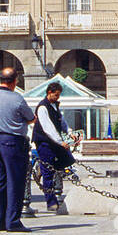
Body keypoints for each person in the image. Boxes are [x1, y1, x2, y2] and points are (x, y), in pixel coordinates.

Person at [0, 67, 36, 232]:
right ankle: (13, 221)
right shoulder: (16, 99)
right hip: (12, 141)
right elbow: (30, 118)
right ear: (15, 81)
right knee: (15, 181)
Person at [32, 81, 75, 212]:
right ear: (49, 93)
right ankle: (51, 202)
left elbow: (61, 121)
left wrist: (69, 132)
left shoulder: (55, 106)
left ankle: (46, 171)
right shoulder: (43, 107)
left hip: (54, 142)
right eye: (56, 95)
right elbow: (47, 128)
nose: (57, 98)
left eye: (59, 95)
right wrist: (60, 141)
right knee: (48, 173)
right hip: (44, 142)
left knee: (66, 161)